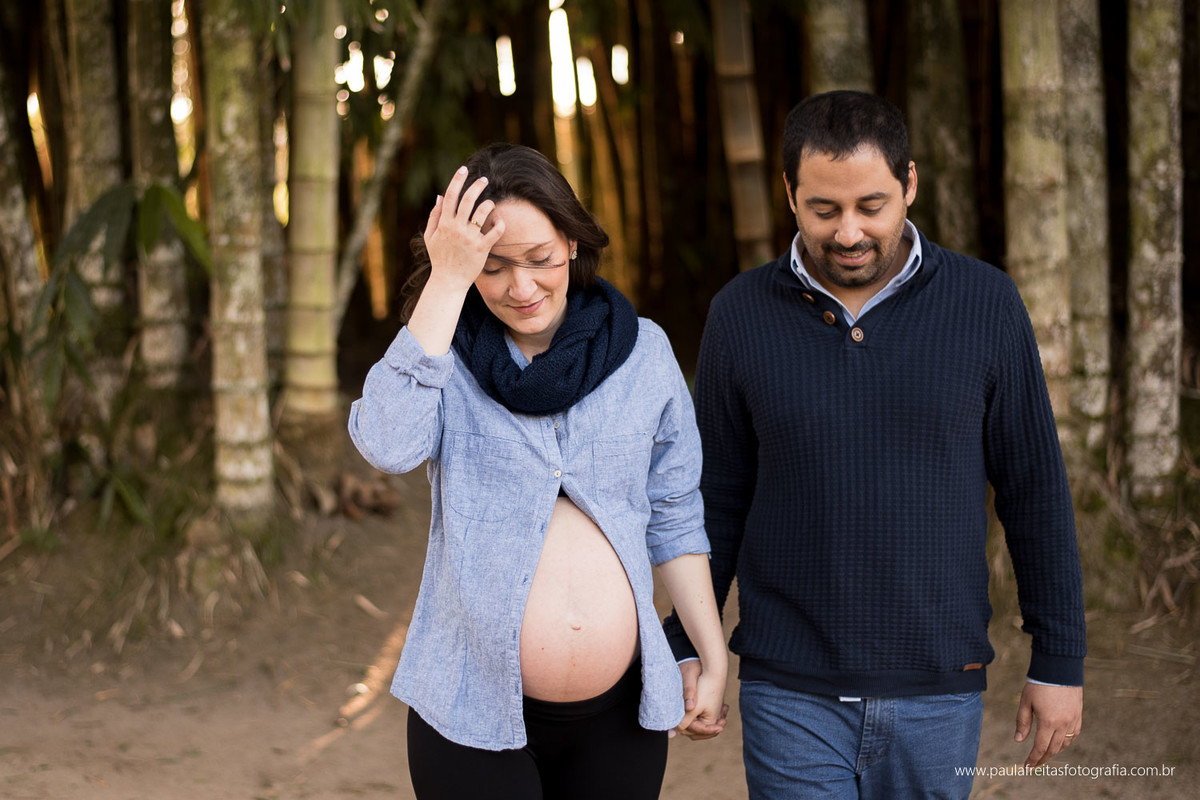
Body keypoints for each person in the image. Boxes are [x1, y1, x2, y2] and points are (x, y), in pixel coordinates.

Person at [665, 90, 1086, 798]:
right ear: (789, 194)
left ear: (910, 185)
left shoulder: (986, 304)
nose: (850, 232)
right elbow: (715, 503)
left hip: (938, 688)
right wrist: (686, 643)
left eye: (872, 205)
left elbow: (1034, 489)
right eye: (824, 210)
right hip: (789, 689)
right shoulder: (739, 316)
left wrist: (1059, 659)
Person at [348, 143, 728, 800]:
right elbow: (385, 444)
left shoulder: (646, 354)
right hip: (466, 709)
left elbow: (673, 513)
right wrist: (446, 282)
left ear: (574, 244)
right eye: (492, 269)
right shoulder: (445, 357)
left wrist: (709, 651)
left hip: (621, 715)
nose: (521, 289)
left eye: (540, 260)